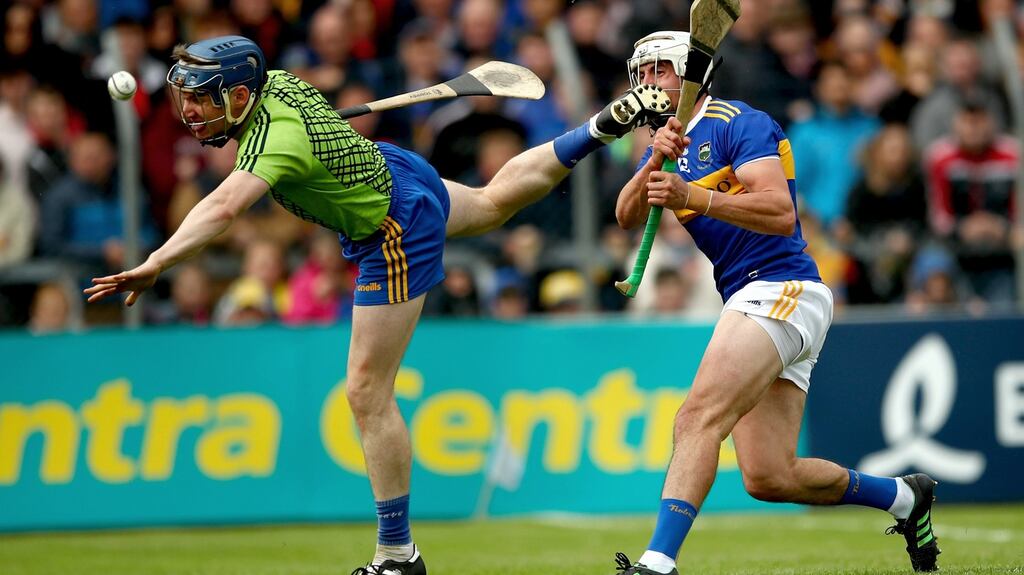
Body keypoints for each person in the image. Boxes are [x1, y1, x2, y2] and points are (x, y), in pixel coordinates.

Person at [83, 35, 670, 575]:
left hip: (390, 230)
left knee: (366, 391)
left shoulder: (276, 143)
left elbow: (224, 206)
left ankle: (397, 554)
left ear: (241, 95)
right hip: (395, 173)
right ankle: (599, 126)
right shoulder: (282, 83)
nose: (191, 113)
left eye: (203, 100)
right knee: (492, 205)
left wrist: (159, 258)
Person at [611, 31, 940, 575]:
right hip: (753, 295)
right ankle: (906, 498)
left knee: (697, 418)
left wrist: (691, 195)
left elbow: (779, 212)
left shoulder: (740, 122)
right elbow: (626, 215)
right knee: (769, 476)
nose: (647, 83)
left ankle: (657, 563)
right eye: (641, 74)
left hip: (782, 286)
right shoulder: (668, 145)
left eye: (659, 72)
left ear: (692, 77)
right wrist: (654, 163)